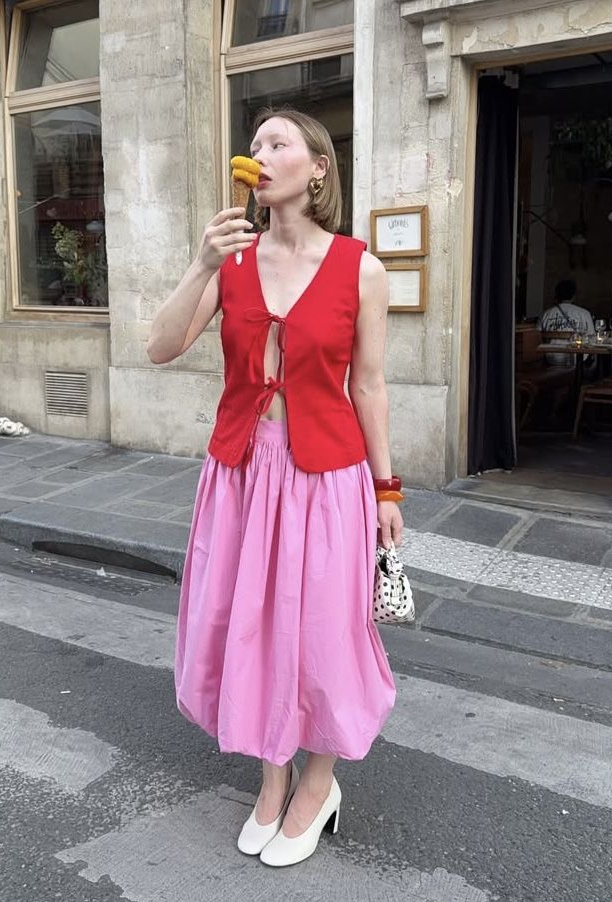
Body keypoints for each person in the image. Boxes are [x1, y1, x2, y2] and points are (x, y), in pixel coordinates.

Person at [147, 108, 402, 867]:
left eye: (277, 142)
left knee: (323, 631)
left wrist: (387, 492)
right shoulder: (230, 263)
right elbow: (159, 348)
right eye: (253, 143)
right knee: (253, 626)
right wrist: (198, 262)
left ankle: (319, 784)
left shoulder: (362, 267)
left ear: (317, 167)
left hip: (326, 477)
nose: (258, 154)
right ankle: (272, 778)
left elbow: (373, 384)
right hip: (242, 475)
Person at [540, 279, 595, 366]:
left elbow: (537, 335)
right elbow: (592, 338)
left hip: (551, 357)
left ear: (557, 295)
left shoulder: (546, 314)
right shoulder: (584, 313)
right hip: (577, 358)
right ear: (573, 296)